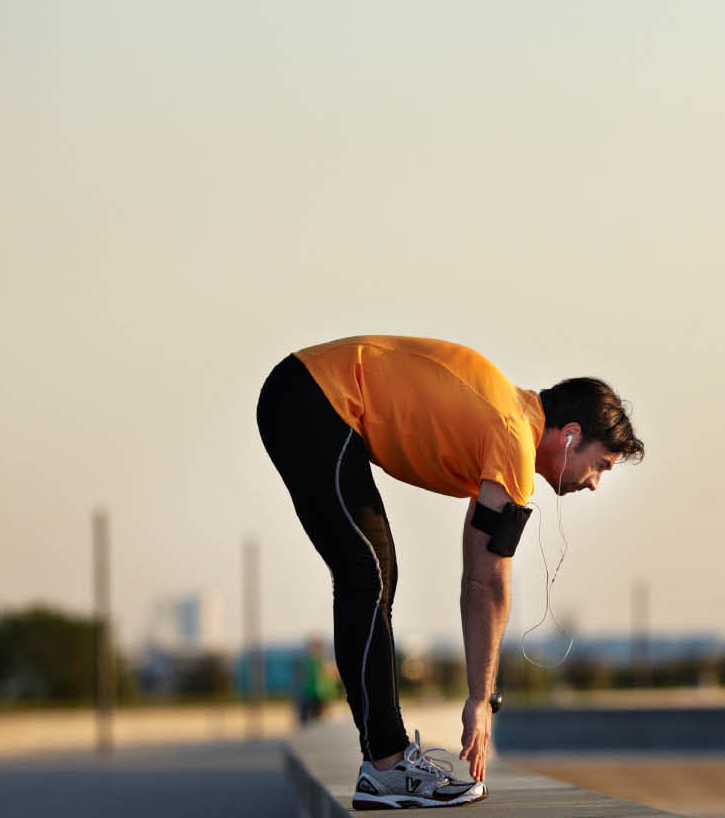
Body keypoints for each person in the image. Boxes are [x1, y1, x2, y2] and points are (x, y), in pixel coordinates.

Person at [255, 335, 643, 810]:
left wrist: (481, 695)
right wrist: (481, 700)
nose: (595, 483)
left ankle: (385, 761)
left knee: (374, 575)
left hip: (308, 398)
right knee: (368, 575)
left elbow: (475, 574)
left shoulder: (510, 425)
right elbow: (488, 582)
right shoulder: (513, 435)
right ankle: (385, 765)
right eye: (598, 464)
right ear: (570, 435)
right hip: (313, 397)